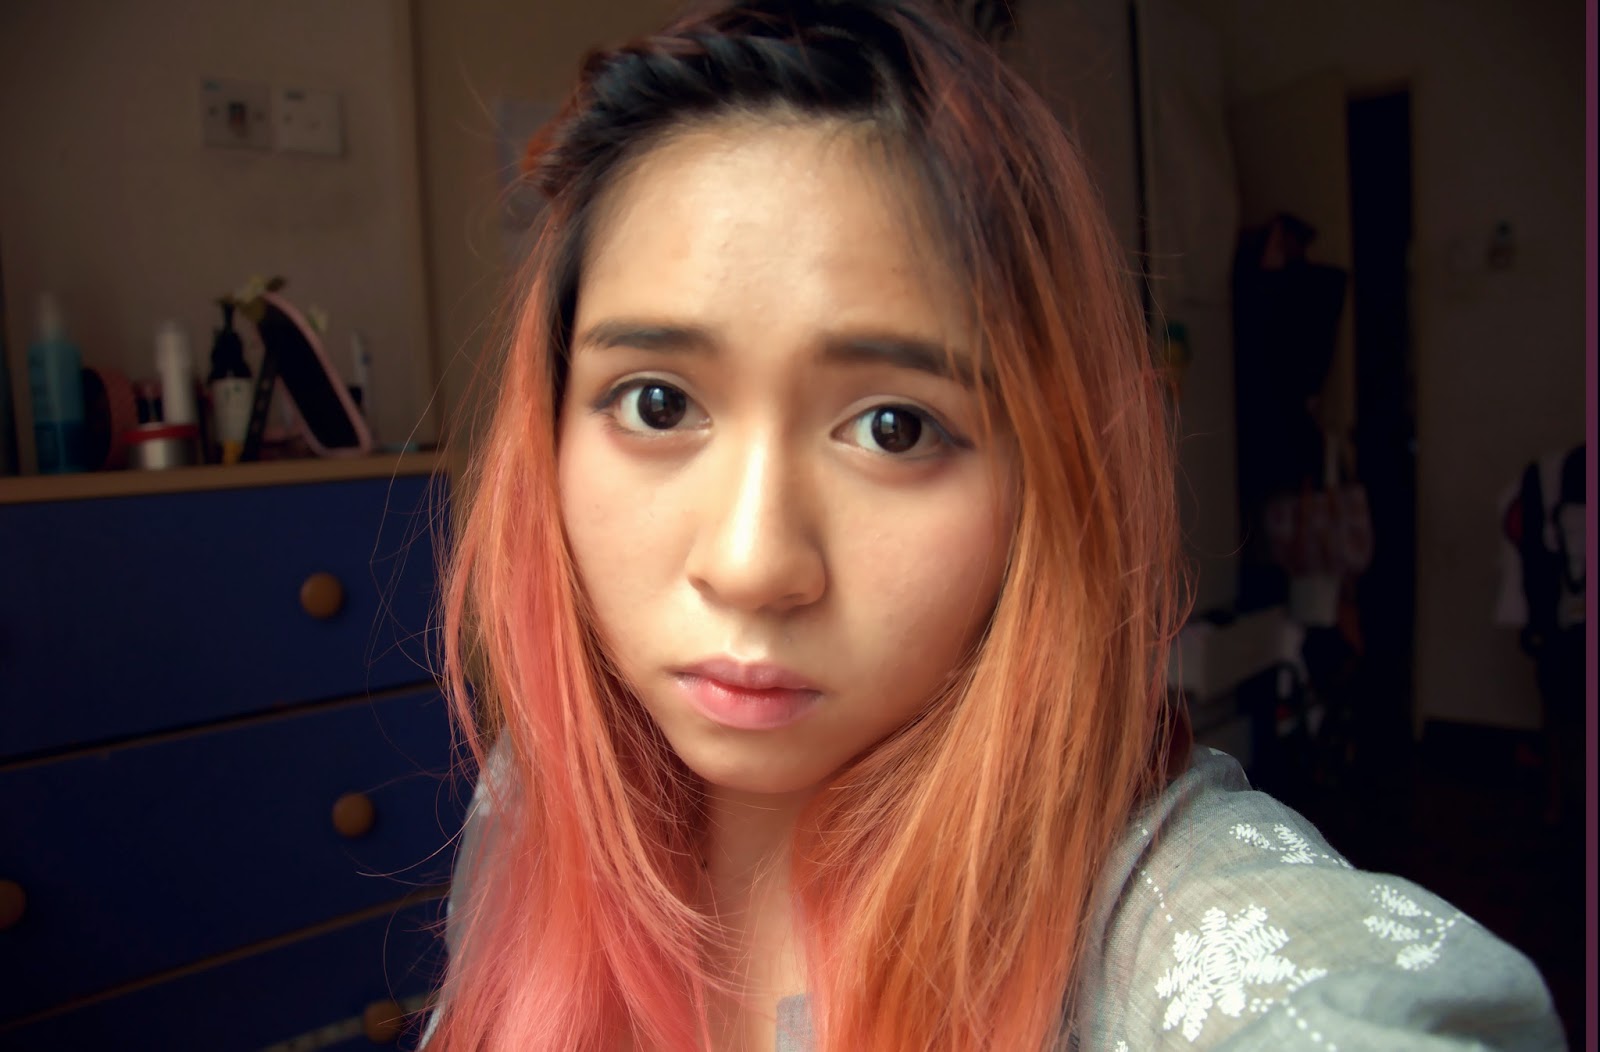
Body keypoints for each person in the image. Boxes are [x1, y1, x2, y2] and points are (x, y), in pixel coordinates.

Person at [420, 1, 1564, 1048]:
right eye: (658, 404)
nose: (752, 563)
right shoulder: (533, 795)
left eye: (894, 427)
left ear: (1040, 473)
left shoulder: (1147, 911)